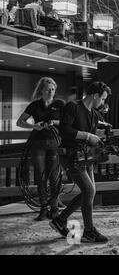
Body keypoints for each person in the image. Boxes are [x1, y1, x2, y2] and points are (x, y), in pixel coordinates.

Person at [49, 81, 111, 243]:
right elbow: (64, 130)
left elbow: (92, 136)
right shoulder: (73, 107)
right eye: (103, 99)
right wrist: (88, 136)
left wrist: (100, 143)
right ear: (95, 95)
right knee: (89, 191)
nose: (103, 103)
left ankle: (61, 220)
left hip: (85, 157)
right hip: (71, 156)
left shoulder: (93, 114)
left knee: (89, 192)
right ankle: (89, 231)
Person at [16, 77, 65, 221]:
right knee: (40, 176)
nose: (50, 92)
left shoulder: (60, 104)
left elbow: (68, 122)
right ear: (41, 90)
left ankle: (54, 208)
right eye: (48, 89)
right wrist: (34, 126)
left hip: (54, 143)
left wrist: (54, 122)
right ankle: (44, 209)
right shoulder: (34, 105)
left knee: (55, 176)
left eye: (53, 90)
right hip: (37, 144)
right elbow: (20, 122)